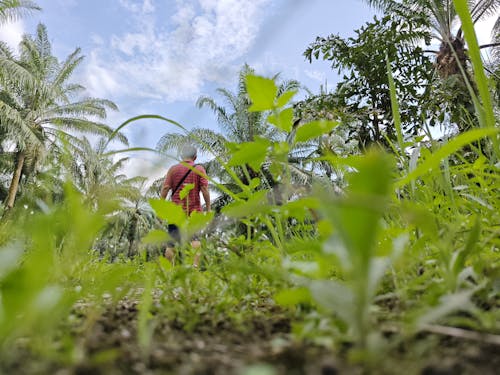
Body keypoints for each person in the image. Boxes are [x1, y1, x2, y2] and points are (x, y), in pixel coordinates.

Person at [160, 144, 210, 267]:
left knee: (172, 243)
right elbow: (204, 189)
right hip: (194, 212)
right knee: (195, 239)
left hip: (176, 212)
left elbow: (166, 188)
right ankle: (194, 267)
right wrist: (208, 207)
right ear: (195, 157)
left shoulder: (173, 169)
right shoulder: (199, 169)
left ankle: (168, 272)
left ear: (181, 156)